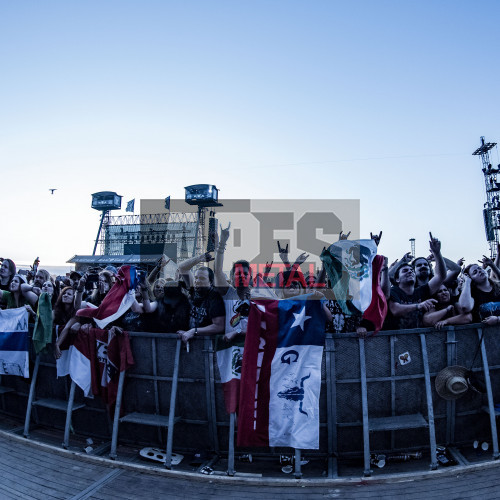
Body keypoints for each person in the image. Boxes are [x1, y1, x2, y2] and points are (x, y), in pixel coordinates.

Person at [387, 233, 447, 330]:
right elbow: (395, 310)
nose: (410, 272)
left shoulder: (421, 291)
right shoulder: (394, 291)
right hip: (396, 339)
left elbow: (441, 276)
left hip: (418, 339)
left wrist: (437, 253)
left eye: (411, 271)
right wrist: (418, 306)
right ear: (397, 279)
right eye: (405, 271)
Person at [459, 257, 500, 324]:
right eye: (475, 272)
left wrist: (498, 319)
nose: (479, 271)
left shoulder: (498, 288)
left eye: (480, 268)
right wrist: (467, 281)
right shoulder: (472, 294)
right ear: (471, 278)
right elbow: (465, 307)